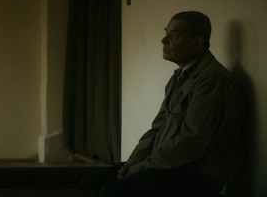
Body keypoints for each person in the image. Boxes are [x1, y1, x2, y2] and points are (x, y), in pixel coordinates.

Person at [80, 11, 247, 197]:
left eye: (174, 35)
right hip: (167, 165)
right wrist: (132, 162)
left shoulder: (212, 80)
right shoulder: (178, 78)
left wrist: (143, 167)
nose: (164, 40)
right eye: (166, 32)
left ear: (198, 42)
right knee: (90, 181)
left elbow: (191, 142)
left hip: (197, 174)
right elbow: (157, 129)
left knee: (112, 190)